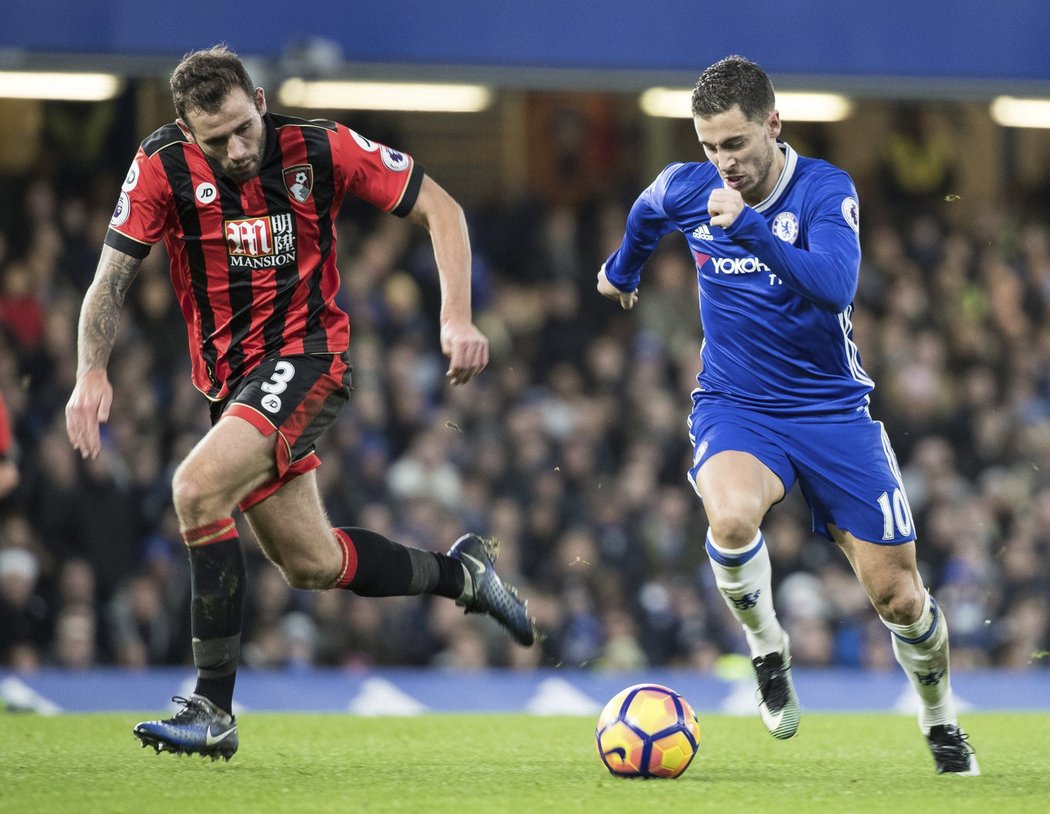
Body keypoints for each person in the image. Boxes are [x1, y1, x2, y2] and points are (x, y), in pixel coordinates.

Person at [65, 44, 535, 761]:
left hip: (307, 358)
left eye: (241, 128)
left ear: (258, 101)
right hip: (231, 388)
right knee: (313, 564)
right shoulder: (160, 166)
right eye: (214, 140)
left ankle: (211, 708)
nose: (235, 148)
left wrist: (457, 316)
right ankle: (462, 573)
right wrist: (89, 372)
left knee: (195, 488)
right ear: (190, 135)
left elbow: (441, 207)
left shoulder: (321, 147)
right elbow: (110, 278)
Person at [597, 56, 978, 776]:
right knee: (731, 520)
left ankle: (941, 721)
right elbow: (647, 210)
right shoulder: (689, 188)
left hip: (833, 410)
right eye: (709, 146)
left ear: (773, 124)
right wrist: (624, 269)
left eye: (735, 144)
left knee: (900, 599)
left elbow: (835, 287)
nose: (723, 163)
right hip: (737, 406)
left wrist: (750, 232)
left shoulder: (827, 189)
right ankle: (767, 646)